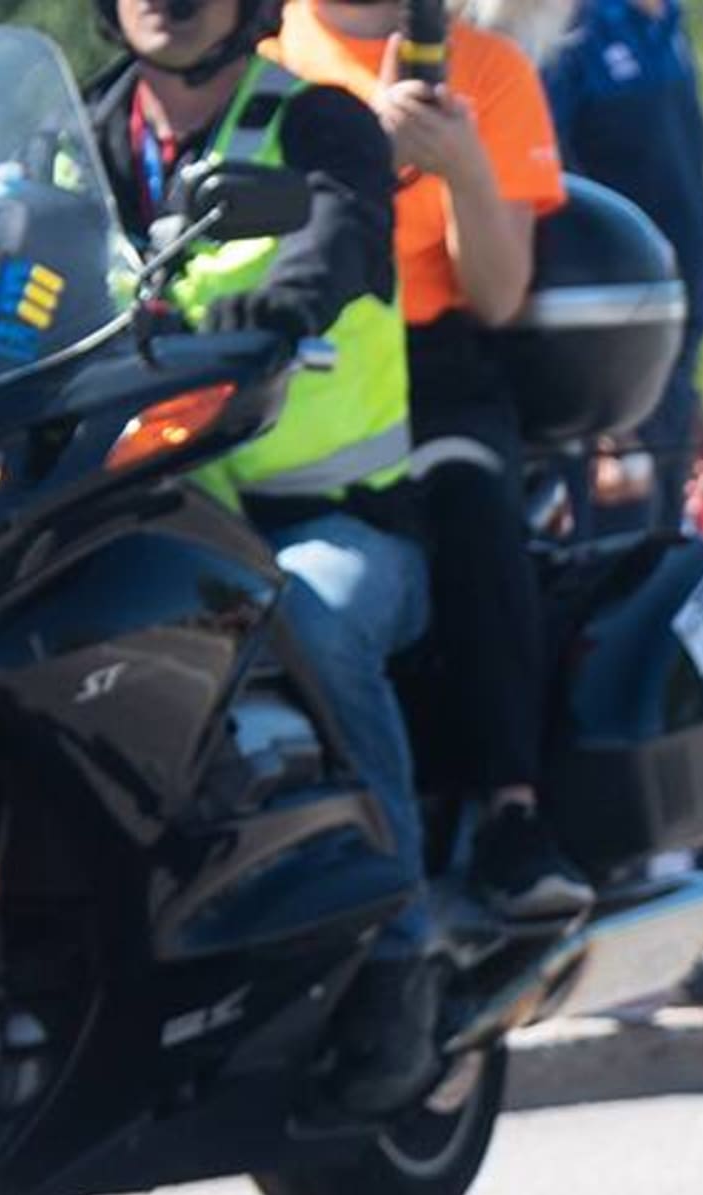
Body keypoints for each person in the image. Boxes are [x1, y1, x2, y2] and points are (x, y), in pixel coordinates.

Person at [85, 0, 443, 1114]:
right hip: (141, 508)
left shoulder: (317, 123)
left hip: (327, 517)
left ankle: (401, 952)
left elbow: (338, 239)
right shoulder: (74, 144)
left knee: (317, 614)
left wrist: (269, 304)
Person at [271, 0, 590, 923]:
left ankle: (509, 815)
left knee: (475, 503)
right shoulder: (257, 53)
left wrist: (462, 170)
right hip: (287, 358)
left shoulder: (486, 71)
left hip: (432, 367)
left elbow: (496, 293)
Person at [540, 0, 703, 536]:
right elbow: (551, 212)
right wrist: (603, 412)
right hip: (608, 393)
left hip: (669, 371)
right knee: (608, 576)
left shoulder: (665, 21)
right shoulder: (569, 30)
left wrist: (689, 394)